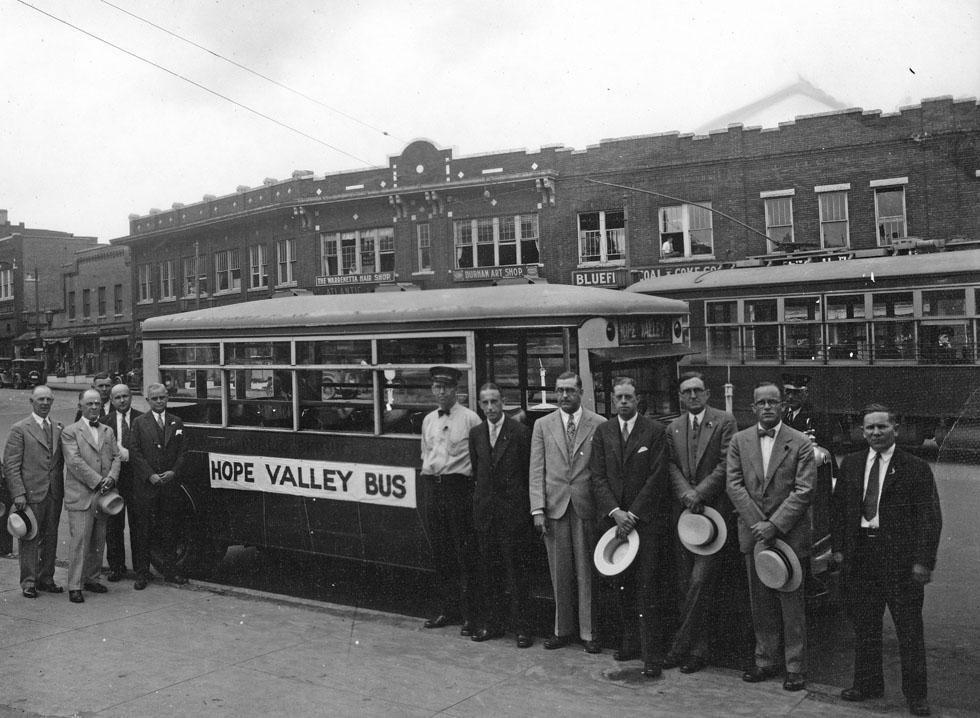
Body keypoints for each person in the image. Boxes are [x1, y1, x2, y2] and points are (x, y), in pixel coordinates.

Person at [832, 404, 941, 717]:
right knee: (865, 628)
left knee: (908, 630)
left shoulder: (916, 467)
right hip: (861, 557)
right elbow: (838, 511)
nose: (875, 433)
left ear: (896, 428)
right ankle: (866, 684)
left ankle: (916, 697)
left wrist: (923, 562)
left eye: (881, 427)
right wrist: (839, 548)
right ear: (862, 431)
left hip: (900, 561)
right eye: (870, 428)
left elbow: (929, 518)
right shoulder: (851, 464)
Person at [727, 381, 814, 692]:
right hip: (754, 534)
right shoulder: (739, 441)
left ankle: (795, 667)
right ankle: (765, 660)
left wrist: (774, 526)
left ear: (782, 406)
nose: (767, 407)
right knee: (760, 602)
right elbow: (734, 485)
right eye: (761, 402)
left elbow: (803, 491)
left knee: (791, 605)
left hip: (789, 535)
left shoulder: (801, 442)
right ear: (753, 408)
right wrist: (758, 525)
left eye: (773, 402)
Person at [590, 376, 668, 676]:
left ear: (638, 401)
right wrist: (615, 512)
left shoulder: (655, 431)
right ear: (612, 400)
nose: (624, 402)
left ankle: (652, 656)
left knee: (647, 589)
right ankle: (630, 642)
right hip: (614, 524)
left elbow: (657, 477)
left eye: (629, 397)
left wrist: (632, 514)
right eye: (619, 397)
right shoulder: (603, 431)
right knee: (620, 586)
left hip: (644, 524)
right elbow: (597, 475)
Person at [664, 372, 738, 673]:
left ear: (707, 393)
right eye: (686, 392)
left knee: (699, 581)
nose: (692, 396)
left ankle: (679, 646)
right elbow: (670, 464)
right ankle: (697, 650)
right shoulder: (673, 428)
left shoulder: (724, 422)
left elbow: (726, 464)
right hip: (684, 515)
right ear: (680, 397)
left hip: (713, 516)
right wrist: (686, 494)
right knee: (685, 584)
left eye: (697, 391)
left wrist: (700, 493)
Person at [529, 371, 605, 653]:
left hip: (586, 507)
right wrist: (538, 508)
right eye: (559, 391)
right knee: (559, 572)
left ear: (581, 391)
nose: (563, 396)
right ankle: (562, 630)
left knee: (586, 572)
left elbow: (601, 471)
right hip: (554, 506)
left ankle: (589, 633)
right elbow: (536, 468)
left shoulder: (598, 424)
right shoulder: (543, 425)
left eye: (569, 391)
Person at [467, 382, 534, 648]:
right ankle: (492, 624)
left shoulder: (519, 432)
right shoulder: (476, 434)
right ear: (480, 405)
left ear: (503, 401)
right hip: (486, 516)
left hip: (513, 516)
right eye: (485, 403)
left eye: (495, 401)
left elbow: (527, 473)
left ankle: (522, 629)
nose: (491, 408)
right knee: (489, 573)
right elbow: (478, 470)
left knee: (517, 574)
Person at [419, 366, 482, 634]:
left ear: (456, 390)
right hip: (435, 488)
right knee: (441, 553)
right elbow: (426, 454)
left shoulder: (470, 419)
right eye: (436, 386)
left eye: (446, 387)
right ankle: (447, 610)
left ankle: (471, 616)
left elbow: (479, 458)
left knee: (464, 553)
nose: (441, 391)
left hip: (459, 489)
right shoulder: (428, 420)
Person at [2, 385, 65, 598]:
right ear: (32, 401)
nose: (45, 403)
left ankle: (46, 578)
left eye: (48, 399)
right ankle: (28, 582)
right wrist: (18, 493)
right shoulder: (20, 428)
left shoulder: (58, 427)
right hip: (30, 493)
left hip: (54, 493)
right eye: (40, 400)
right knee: (29, 538)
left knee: (51, 537)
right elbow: (10, 464)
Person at [61, 389, 121, 603]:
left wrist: (112, 478)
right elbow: (74, 462)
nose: (94, 407)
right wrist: (98, 480)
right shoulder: (70, 432)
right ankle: (75, 585)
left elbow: (116, 457)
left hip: (104, 494)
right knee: (80, 541)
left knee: (98, 539)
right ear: (80, 406)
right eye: (89, 404)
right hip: (82, 494)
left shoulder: (108, 430)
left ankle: (92, 578)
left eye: (97, 403)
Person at [127, 382, 189, 589]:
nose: (159, 401)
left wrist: (173, 472)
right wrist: (150, 475)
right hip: (147, 487)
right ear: (148, 401)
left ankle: (170, 572)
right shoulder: (139, 423)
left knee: (169, 528)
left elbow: (183, 452)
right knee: (144, 530)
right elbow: (134, 452)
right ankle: (142, 574)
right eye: (155, 398)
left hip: (169, 486)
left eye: (162, 397)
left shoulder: (177, 422)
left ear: (167, 398)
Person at [101, 383, 143, 581]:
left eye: (125, 396)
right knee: (114, 525)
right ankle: (116, 568)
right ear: (111, 399)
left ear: (131, 397)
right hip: (114, 480)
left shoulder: (142, 419)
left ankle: (141, 570)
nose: (122, 400)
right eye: (117, 397)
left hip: (136, 479)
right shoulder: (104, 422)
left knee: (139, 525)